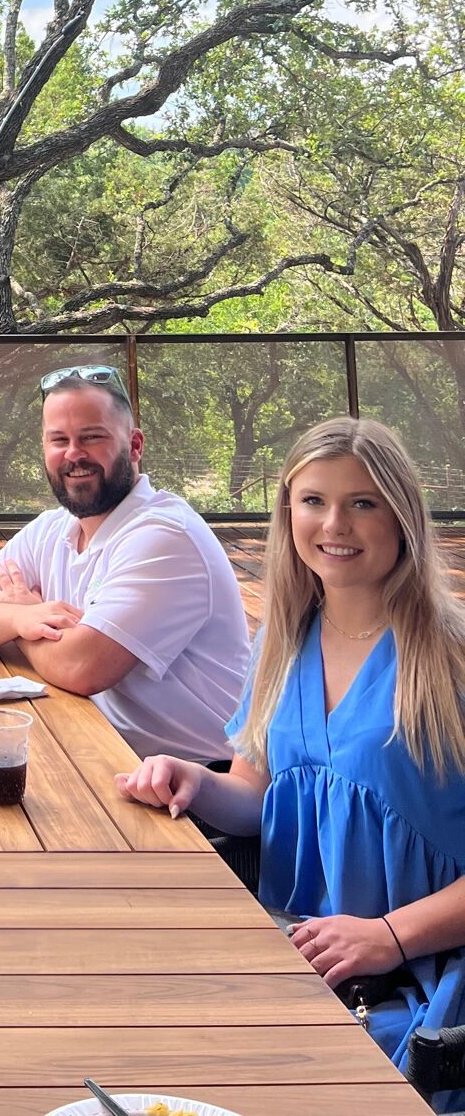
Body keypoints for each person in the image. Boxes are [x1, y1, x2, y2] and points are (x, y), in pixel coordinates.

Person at [118, 416, 465, 1101]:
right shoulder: (282, 638)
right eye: (313, 500)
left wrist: (390, 936)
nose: (334, 523)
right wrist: (195, 780)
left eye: (362, 502)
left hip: (425, 972)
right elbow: (255, 794)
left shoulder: (449, 659)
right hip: (300, 947)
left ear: (402, 518)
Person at [0, 362, 250, 761]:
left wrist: (14, 618)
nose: (73, 455)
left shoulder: (164, 535)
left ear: (134, 446)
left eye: (91, 437)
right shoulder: (52, 528)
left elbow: (81, 667)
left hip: (199, 789)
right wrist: (21, 619)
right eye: (58, 440)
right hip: (108, 752)